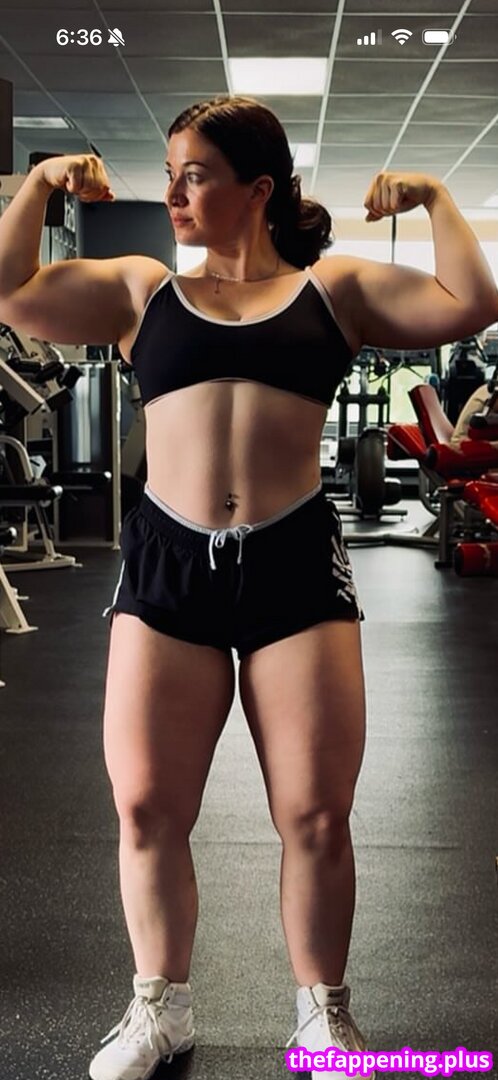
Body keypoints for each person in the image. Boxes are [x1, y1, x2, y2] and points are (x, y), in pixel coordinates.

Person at [0, 96, 496, 1080]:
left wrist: (436, 198)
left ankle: (323, 1017)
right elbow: (12, 293)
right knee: (147, 808)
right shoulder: (143, 292)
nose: (174, 194)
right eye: (171, 174)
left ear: (257, 189)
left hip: (292, 563)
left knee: (314, 814)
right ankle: (159, 1008)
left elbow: (469, 303)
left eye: (195, 175)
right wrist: (41, 182)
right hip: (167, 564)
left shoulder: (333, 291)